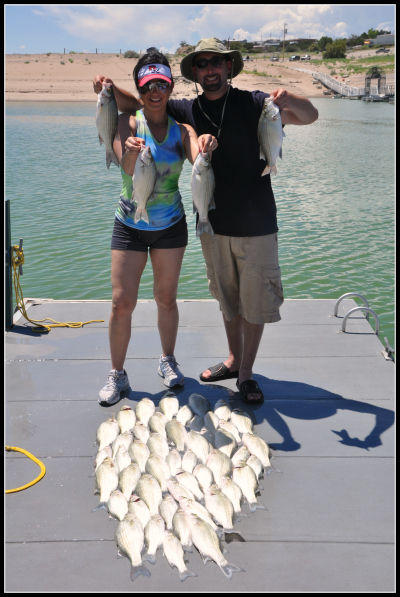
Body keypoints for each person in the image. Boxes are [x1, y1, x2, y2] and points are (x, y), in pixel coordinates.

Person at [93, 38, 318, 404]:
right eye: (202, 64)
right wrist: (107, 89)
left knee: (249, 301)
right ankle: (227, 361)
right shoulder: (174, 110)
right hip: (206, 223)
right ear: (194, 73)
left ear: (229, 67)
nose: (210, 70)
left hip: (253, 220)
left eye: (217, 63)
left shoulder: (256, 104)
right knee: (226, 300)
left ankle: (243, 374)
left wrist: (290, 100)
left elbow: (310, 117)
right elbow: (139, 105)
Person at [97, 49, 217, 406]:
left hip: (171, 226)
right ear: (140, 87)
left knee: (166, 299)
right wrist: (132, 149)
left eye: (162, 85)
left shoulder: (183, 130)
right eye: (148, 85)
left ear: (169, 86)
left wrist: (206, 146)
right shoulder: (127, 123)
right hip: (130, 223)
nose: (155, 92)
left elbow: (199, 161)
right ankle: (117, 374)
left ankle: (167, 360)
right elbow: (126, 168)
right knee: (122, 302)